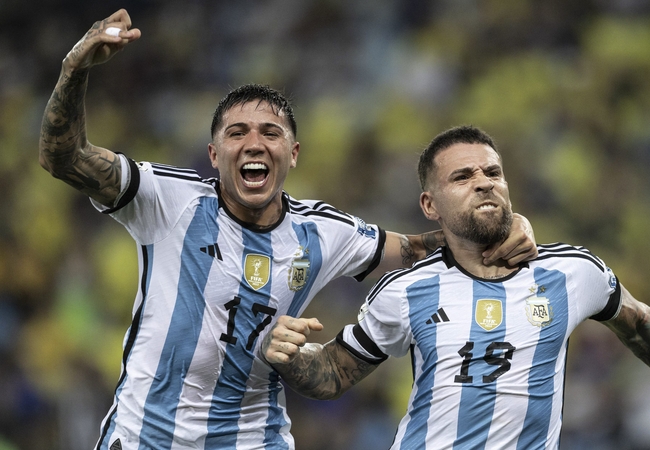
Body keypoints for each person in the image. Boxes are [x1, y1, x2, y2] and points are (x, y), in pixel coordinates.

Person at [37, 9, 539, 450]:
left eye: (270, 133)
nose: (254, 143)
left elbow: (414, 248)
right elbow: (63, 159)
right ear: (214, 155)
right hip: (147, 436)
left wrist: (503, 226)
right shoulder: (166, 199)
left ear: (292, 154)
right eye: (237, 133)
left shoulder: (322, 232)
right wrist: (74, 70)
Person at [263, 125, 650, 449]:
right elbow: (332, 374)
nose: (483, 181)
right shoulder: (406, 290)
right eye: (462, 176)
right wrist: (290, 355)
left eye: (493, 172)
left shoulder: (572, 272)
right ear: (429, 205)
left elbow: (640, 325)